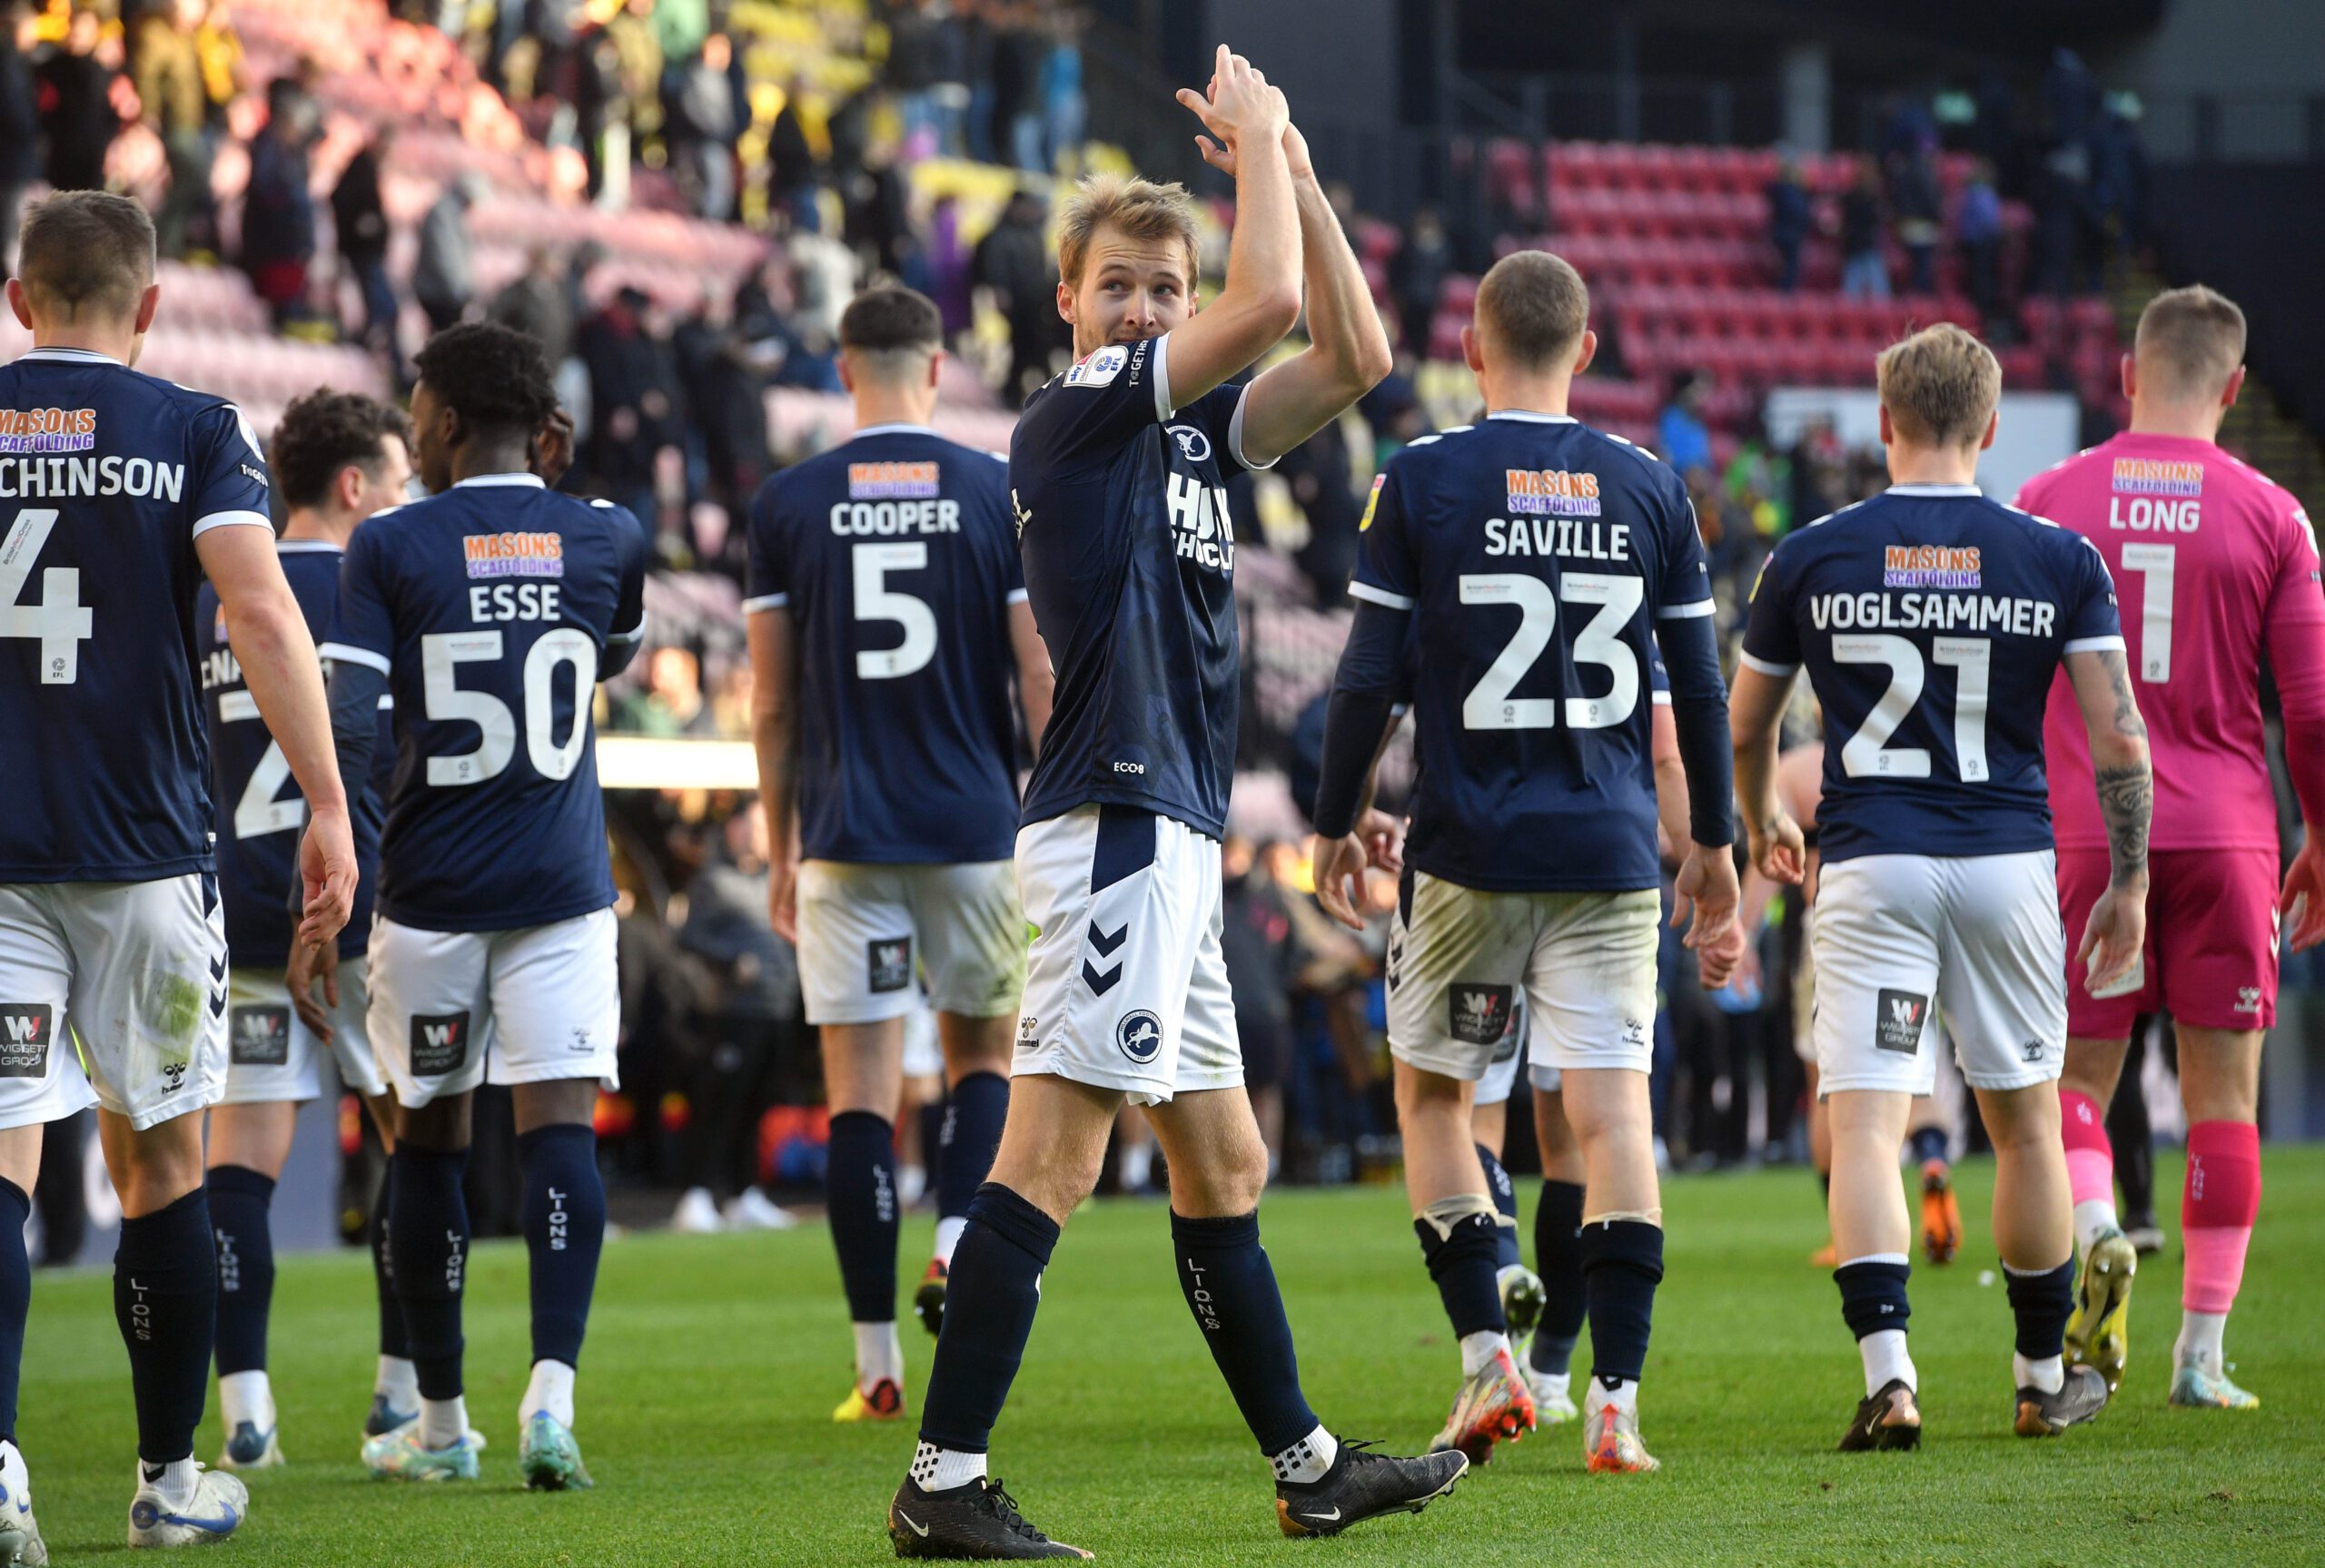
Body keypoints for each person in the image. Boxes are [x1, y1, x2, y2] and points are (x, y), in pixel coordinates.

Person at [889, 52, 1462, 1558]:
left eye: (1167, 287)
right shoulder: (1079, 410)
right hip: (1118, 819)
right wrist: (1262, 139)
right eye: (1122, 287)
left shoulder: (1193, 432)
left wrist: (1301, 178)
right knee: (1052, 1157)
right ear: (1067, 306)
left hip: (1175, 829)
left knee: (1226, 1164)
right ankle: (943, 1478)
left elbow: (1354, 352)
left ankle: (1309, 1464)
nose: (1147, 310)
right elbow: (1269, 307)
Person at [1310, 250, 1742, 1473]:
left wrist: (1337, 814)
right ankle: (1614, 1403)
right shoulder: (1651, 486)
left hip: (1471, 849)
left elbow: (1366, 674)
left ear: (1471, 350)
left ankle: (1485, 1349)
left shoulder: (1422, 476)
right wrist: (1713, 839)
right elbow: (1699, 685)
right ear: (1586, 350)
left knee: (1439, 1100)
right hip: (1609, 849)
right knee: (1614, 1121)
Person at [0, 190, 358, 1550]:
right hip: (144, 853)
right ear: (150, 307)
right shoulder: (194, 428)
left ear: (20, 300)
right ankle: (166, 1480)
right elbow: (260, 608)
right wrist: (327, 801)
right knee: (160, 1164)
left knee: (2, 1159)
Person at [1729, 322, 2149, 1449]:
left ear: (1882, 420)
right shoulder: (2058, 557)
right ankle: (2037, 1376)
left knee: (1866, 1123)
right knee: (2025, 1127)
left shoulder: (1811, 553)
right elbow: (2120, 740)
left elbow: (1746, 723)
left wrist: (1764, 816)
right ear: (1992, 425)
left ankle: (1889, 1378)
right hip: (2007, 863)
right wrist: (2130, 880)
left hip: (1872, 861)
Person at [310, 321, 647, 1489]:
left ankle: (444, 1423)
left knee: (429, 1144)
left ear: (446, 420)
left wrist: (331, 862)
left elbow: (351, 722)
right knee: (559, 1134)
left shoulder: (388, 540)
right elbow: (606, 653)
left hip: (433, 894)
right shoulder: (609, 532)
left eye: (416, 404)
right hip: (561, 889)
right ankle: (551, 1397)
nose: (408, 424)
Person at [743, 284, 1053, 1423]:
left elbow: (772, 703)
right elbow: (1036, 668)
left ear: (843, 372)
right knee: (982, 1059)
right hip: (973, 830)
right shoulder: (990, 488)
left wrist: (781, 842)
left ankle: (875, 1366)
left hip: (844, 834)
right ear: (934, 369)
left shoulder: (787, 501)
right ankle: (957, 1238)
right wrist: (1045, 805)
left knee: (859, 1098)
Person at [2017, 285, 2325, 1410]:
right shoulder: (2274, 513)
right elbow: (2312, 707)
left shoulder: (2050, 499)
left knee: (2074, 1079)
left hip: (2091, 831)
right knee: (2222, 1100)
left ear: (2126, 374)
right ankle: (2199, 1354)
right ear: (2234, 387)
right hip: (2229, 835)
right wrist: (2319, 832)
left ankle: (2099, 1224)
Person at [193, 390, 411, 1469]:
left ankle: (246, 1413)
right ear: (356, 484)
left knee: (241, 1160)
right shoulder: (379, 588)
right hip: (362, 910)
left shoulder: (217, 592)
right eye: (400, 481)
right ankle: (404, 1394)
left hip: (244, 910)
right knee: (414, 1138)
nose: (407, 501)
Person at [1734, 738, 1964, 1269]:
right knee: (1908, 1066)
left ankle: (1848, 1231)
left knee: (1829, 1086)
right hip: (1912, 920)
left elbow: (1770, 860)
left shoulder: (1798, 769)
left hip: (1835, 928)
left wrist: (1740, 933)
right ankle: (1932, 1159)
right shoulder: (1919, 747)